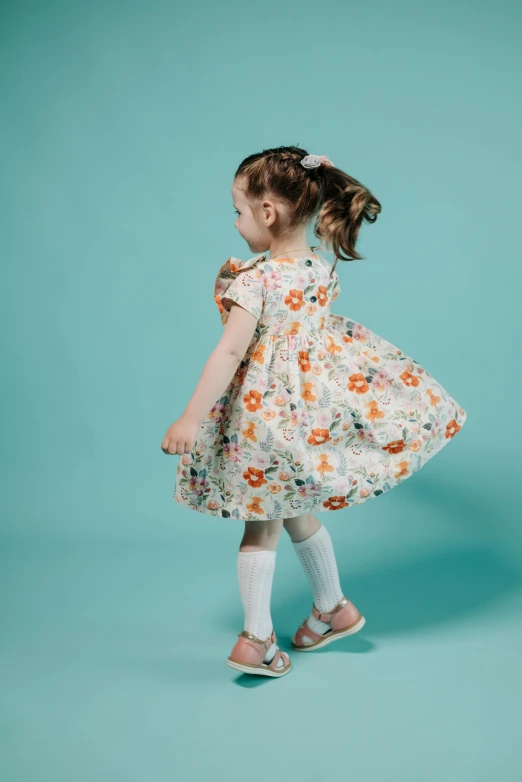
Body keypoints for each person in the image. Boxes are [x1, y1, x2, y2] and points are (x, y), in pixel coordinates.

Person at [161, 146, 468, 678]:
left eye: (237, 211)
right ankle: (333, 608)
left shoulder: (254, 281)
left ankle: (256, 638)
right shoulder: (317, 269)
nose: (234, 223)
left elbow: (230, 353)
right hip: (307, 416)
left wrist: (190, 418)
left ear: (267, 212)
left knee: (261, 526)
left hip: (265, 422)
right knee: (294, 508)